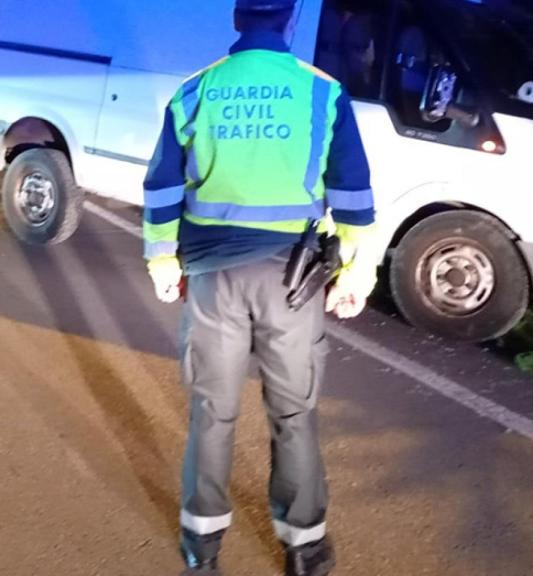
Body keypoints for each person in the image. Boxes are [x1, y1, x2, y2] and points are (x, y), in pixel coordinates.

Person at [141, 1, 378, 574]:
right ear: (291, 22)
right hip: (291, 283)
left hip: (212, 277)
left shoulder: (195, 90)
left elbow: (163, 186)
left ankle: (202, 551)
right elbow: (352, 195)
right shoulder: (322, 92)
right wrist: (355, 273)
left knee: (211, 413)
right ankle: (305, 551)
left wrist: (161, 260)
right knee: (294, 414)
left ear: (236, 20)